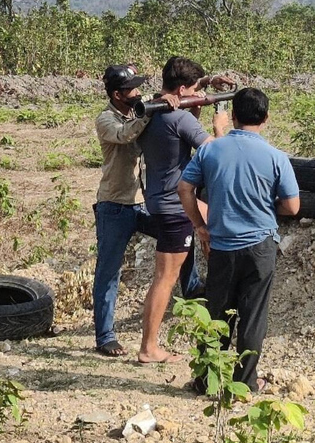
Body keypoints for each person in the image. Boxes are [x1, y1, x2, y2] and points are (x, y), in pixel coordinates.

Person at [178, 87, 300, 392]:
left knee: (216, 314)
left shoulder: (210, 150)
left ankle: (208, 380)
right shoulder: (276, 157)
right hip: (261, 247)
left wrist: (200, 226)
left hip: (222, 246)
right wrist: (264, 205)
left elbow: (184, 189)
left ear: (232, 116)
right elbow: (292, 206)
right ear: (266, 118)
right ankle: (245, 383)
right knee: (253, 316)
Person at [92, 64, 200, 357]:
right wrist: (150, 110)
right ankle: (105, 337)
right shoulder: (107, 120)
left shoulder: (139, 108)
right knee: (109, 271)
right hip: (115, 204)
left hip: (143, 202)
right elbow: (126, 135)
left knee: (180, 234)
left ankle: (192, 288)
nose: (139, 92)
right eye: (132, 89)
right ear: (117, 95)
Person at [136, 56, 230, 363]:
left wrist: (202, 90)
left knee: (170, 270)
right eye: (194, 90)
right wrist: (220, 128)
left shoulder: (155, 110)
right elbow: (217, 155)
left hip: (159, 199)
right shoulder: (179, 118)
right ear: (180, 90)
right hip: (173, 205)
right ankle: (149, 347)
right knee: (165, 276)